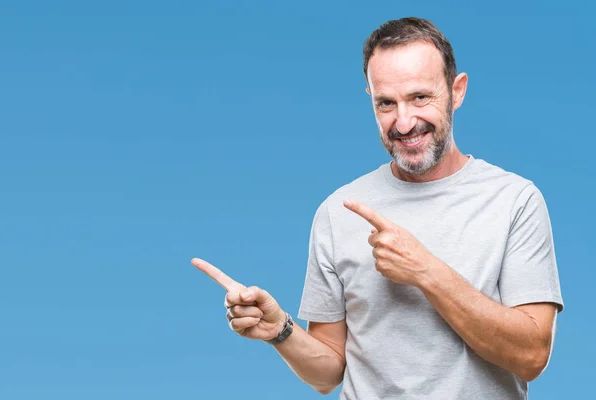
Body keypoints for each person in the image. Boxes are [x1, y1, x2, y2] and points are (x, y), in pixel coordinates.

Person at [192, 17, 564, 399]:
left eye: (420, 97)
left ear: (457, 92)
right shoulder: (338, 212)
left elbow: (532, 355)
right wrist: (281, 331)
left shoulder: (515, 200)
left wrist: (425, 271)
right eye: (386, 103)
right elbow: (329, 372)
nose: (404, 122)